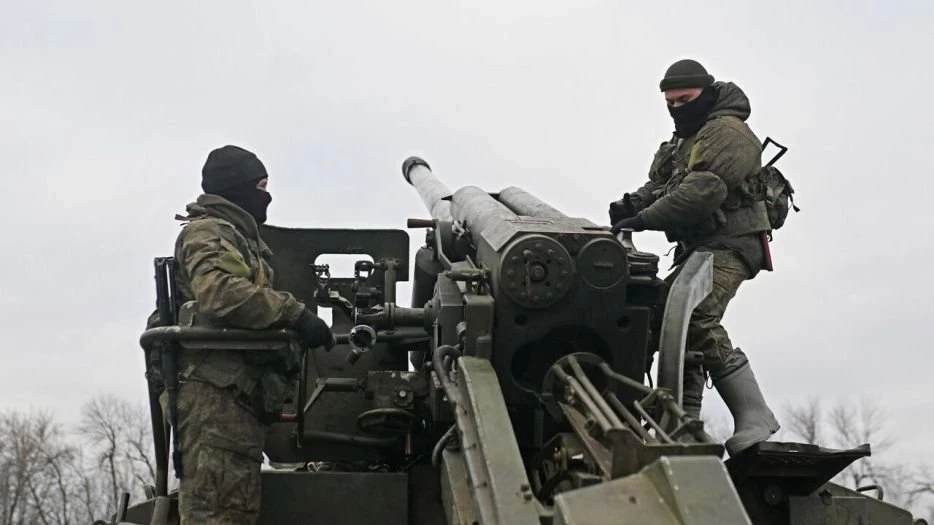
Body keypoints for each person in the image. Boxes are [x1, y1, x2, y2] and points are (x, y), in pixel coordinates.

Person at [608, 59, 780, 456]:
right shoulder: (685, 140)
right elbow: (662, 185)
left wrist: (645, 219)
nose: (676, 108)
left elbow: (703, 191)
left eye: (684, 100)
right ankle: (683, 426)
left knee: (694, 315)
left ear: (706, 92)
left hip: (732, 243)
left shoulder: (728, 132)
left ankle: (755, 414)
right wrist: (632, 204)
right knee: (662, 316)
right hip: (700, 248)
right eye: (670, 102)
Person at [160, 145, 335, 523]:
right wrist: (293, 313)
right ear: (236, 189)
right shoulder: (209, 232)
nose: (266, 196)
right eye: (261, 187)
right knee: (219, 514)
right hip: (215, 401)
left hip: (233, 400)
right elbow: (218, 292)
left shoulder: (237, 237)